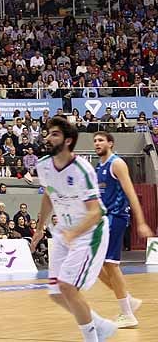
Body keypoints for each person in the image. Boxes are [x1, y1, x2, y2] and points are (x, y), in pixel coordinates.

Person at [31, 117, 116, 342]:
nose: (48, 138)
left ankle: (93, 339)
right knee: (57, 293)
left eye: (55, 134)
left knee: (68, 287)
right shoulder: (43, 165)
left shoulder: (82, 169)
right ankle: (101, 326)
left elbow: (95, 212)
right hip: (63, 232)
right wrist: (40, 228)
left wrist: (74, 233)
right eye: (48, 133)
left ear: (68, 141)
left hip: (89, 232)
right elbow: (49, 195)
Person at [93, 130, 154, 328]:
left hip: (116, 217)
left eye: (101, 140)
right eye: (95, 140)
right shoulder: (98, 166)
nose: (97, 143)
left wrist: (142, 222)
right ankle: (128, 300)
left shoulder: (116, 164)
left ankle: (127, 313)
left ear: (110, 143)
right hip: (102, 219)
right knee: (94, 267)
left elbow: (131, 193)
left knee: (110, 264)